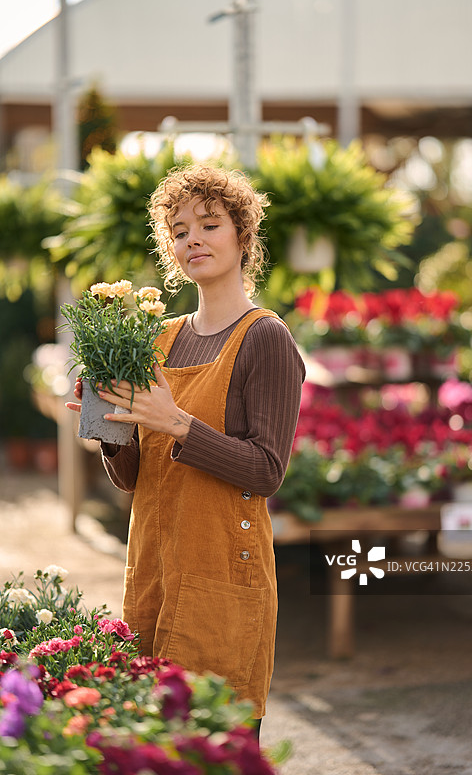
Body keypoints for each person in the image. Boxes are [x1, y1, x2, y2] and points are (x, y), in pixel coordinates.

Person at [66, 164, 305, 739]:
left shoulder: (266, 338)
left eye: (209, 224)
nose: (192, 239)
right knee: (154, 748)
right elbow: (133, 478)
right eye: (179, 231)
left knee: (218, 746)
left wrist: (175, 422)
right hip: (155, 567)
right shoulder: (158, 338)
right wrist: (110, 425)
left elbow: (266, 470)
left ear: (243, 236)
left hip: (224, 572)